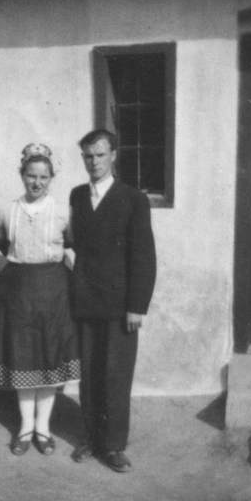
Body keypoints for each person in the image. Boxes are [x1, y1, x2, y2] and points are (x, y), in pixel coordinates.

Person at [69, 129, 157, 472]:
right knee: (90, 374)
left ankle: (114, 445)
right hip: (86, 300)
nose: (94, 162)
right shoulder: (78, 195)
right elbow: (76, 243)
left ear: (114, 156)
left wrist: (137, 305)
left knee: (116, 376)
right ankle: (92, 438)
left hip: (120, 305)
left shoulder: (132, 199)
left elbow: (143, 255)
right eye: (88, 156)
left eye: (100, 155)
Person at [0, 143, 80, 455]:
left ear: (51, 178)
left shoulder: (62, 212)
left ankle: (43, 428)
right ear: (22, 175)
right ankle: (26, 428)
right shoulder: (7, 211)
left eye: (43, 177)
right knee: (23, 358)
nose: (37, 182)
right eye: (31, 175)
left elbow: (74, 245)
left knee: (49, 357)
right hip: (18, 291)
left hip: (54, 291)